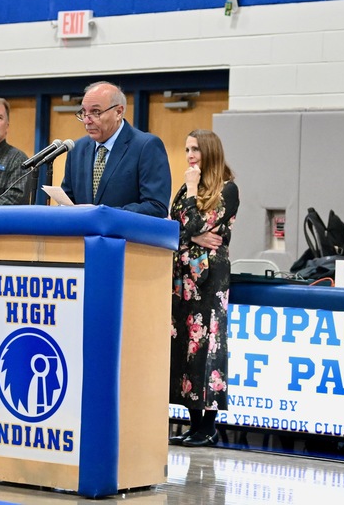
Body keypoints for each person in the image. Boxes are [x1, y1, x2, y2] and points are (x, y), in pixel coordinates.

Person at [168, 129, 239, 447]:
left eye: (195, 148)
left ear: (210, 151)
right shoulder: (187, 186)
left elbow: (196, 224)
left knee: (205, 351)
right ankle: (193, 424)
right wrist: (191, 236)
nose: (190, 154)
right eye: (186, 149)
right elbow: (174, 226)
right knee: (184, 349)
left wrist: (192, 228)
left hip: (209, 284)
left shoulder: (228, 188)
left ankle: (207, 427)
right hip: (182, 281)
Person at [61, 81, 171, 217]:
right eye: (84, 112)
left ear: (118, 112)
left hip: (126, 236)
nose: (86, 121)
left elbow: (156, 206)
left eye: (96, 112)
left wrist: (104, 213)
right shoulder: (77, 149)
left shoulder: (146, 146)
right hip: (82, 237)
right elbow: (68, 200)